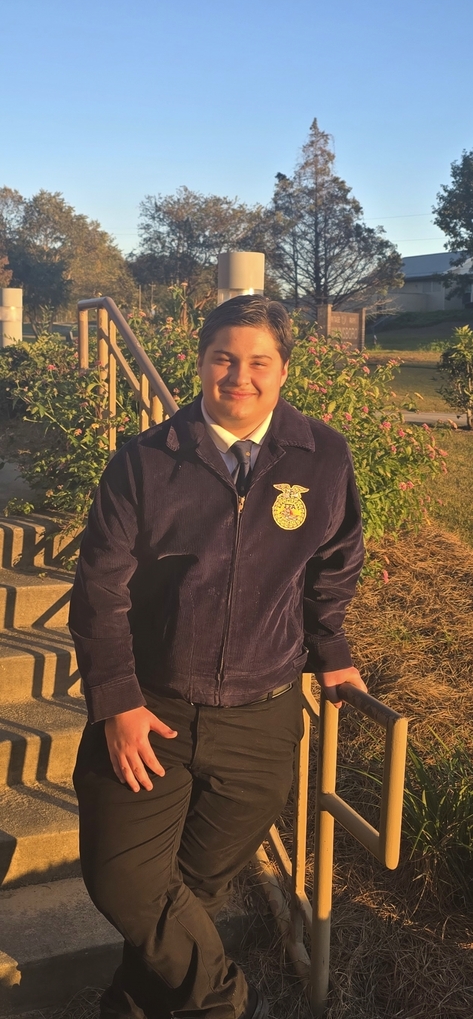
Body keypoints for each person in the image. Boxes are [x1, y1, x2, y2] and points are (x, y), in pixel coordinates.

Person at [70, 295, 366, 1019]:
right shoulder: (144, 461)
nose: (239, 376)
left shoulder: (323, 456)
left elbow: (335, 560)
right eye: (223, 359)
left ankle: (127, 1009)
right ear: (201, 363)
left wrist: (329, 646)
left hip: (260, 722)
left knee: (192, 892)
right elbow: (100, 591)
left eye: (258, 361)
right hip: (151, 711)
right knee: (123, 881)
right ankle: (229, 1005)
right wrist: (117, 700)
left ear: (283, 369)